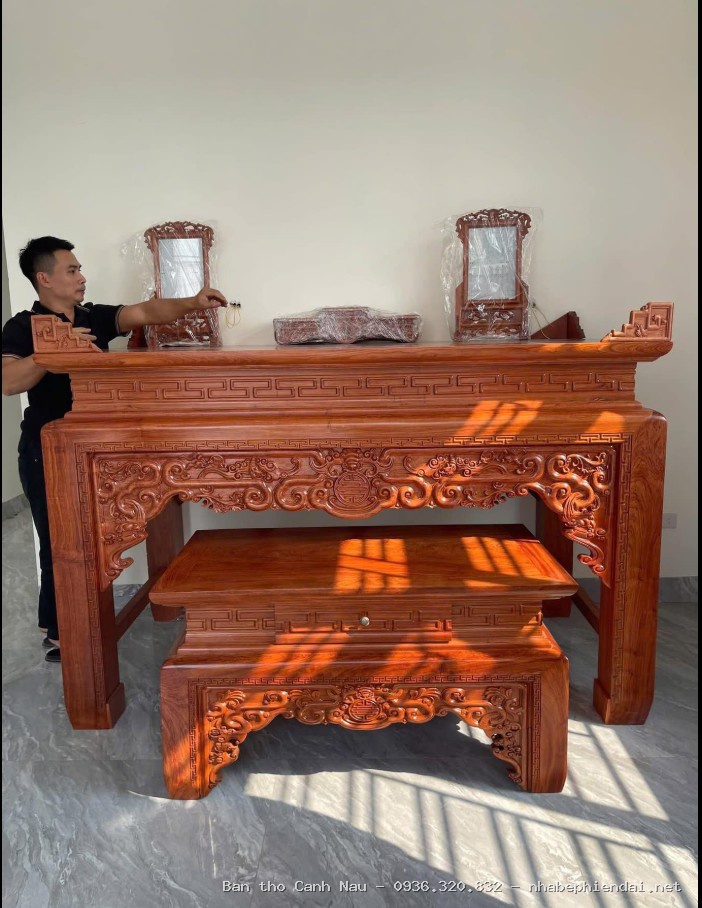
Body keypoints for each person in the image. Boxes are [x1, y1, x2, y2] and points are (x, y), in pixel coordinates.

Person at [1, 236, 227, 662]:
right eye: (72, 270)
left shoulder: (93, 317)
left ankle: (72, 620)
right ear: (44, 278)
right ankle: (62, 634)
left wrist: (192, 302)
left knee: (87, 538)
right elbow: (8, 382)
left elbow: (145, 312)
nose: (81, 277)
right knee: (58, 541)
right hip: (46, 449)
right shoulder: (22, 326)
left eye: (79, 269)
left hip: (93, 446)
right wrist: (49, 354)